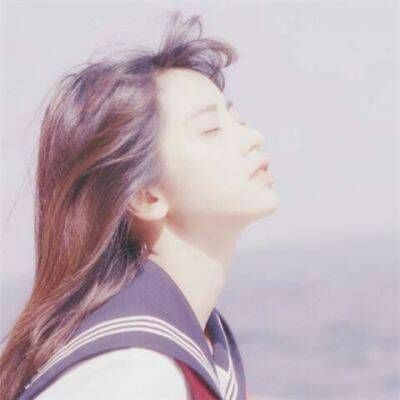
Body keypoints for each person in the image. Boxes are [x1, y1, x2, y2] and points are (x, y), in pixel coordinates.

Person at [0, 10, 279, 400]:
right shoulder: (134, 374)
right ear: (145, 196)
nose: (253, 137)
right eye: (211, 130)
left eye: (237, 120)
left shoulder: (196, 348)